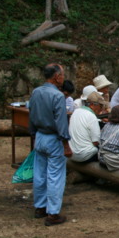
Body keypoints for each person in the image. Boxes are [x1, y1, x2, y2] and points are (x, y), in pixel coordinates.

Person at [28, 63, 72, 226]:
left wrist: (33, 134)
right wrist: (66, 144)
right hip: (54, 139)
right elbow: (61, 123)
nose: (63, 77)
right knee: (55, 176)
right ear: (56, 77)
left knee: (40, 174)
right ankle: (53, 214)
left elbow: (31, 115)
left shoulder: (36, 92)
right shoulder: (58, 96)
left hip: (40, 136)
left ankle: (40, 207)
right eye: (62, 74)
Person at [69, 91, 108, 163]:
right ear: (92, 104)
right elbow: (96, 142)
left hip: (72, 154)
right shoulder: (91, 116)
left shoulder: (76, 111)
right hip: (84, 156)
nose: (101, 108)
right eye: (100, 105)